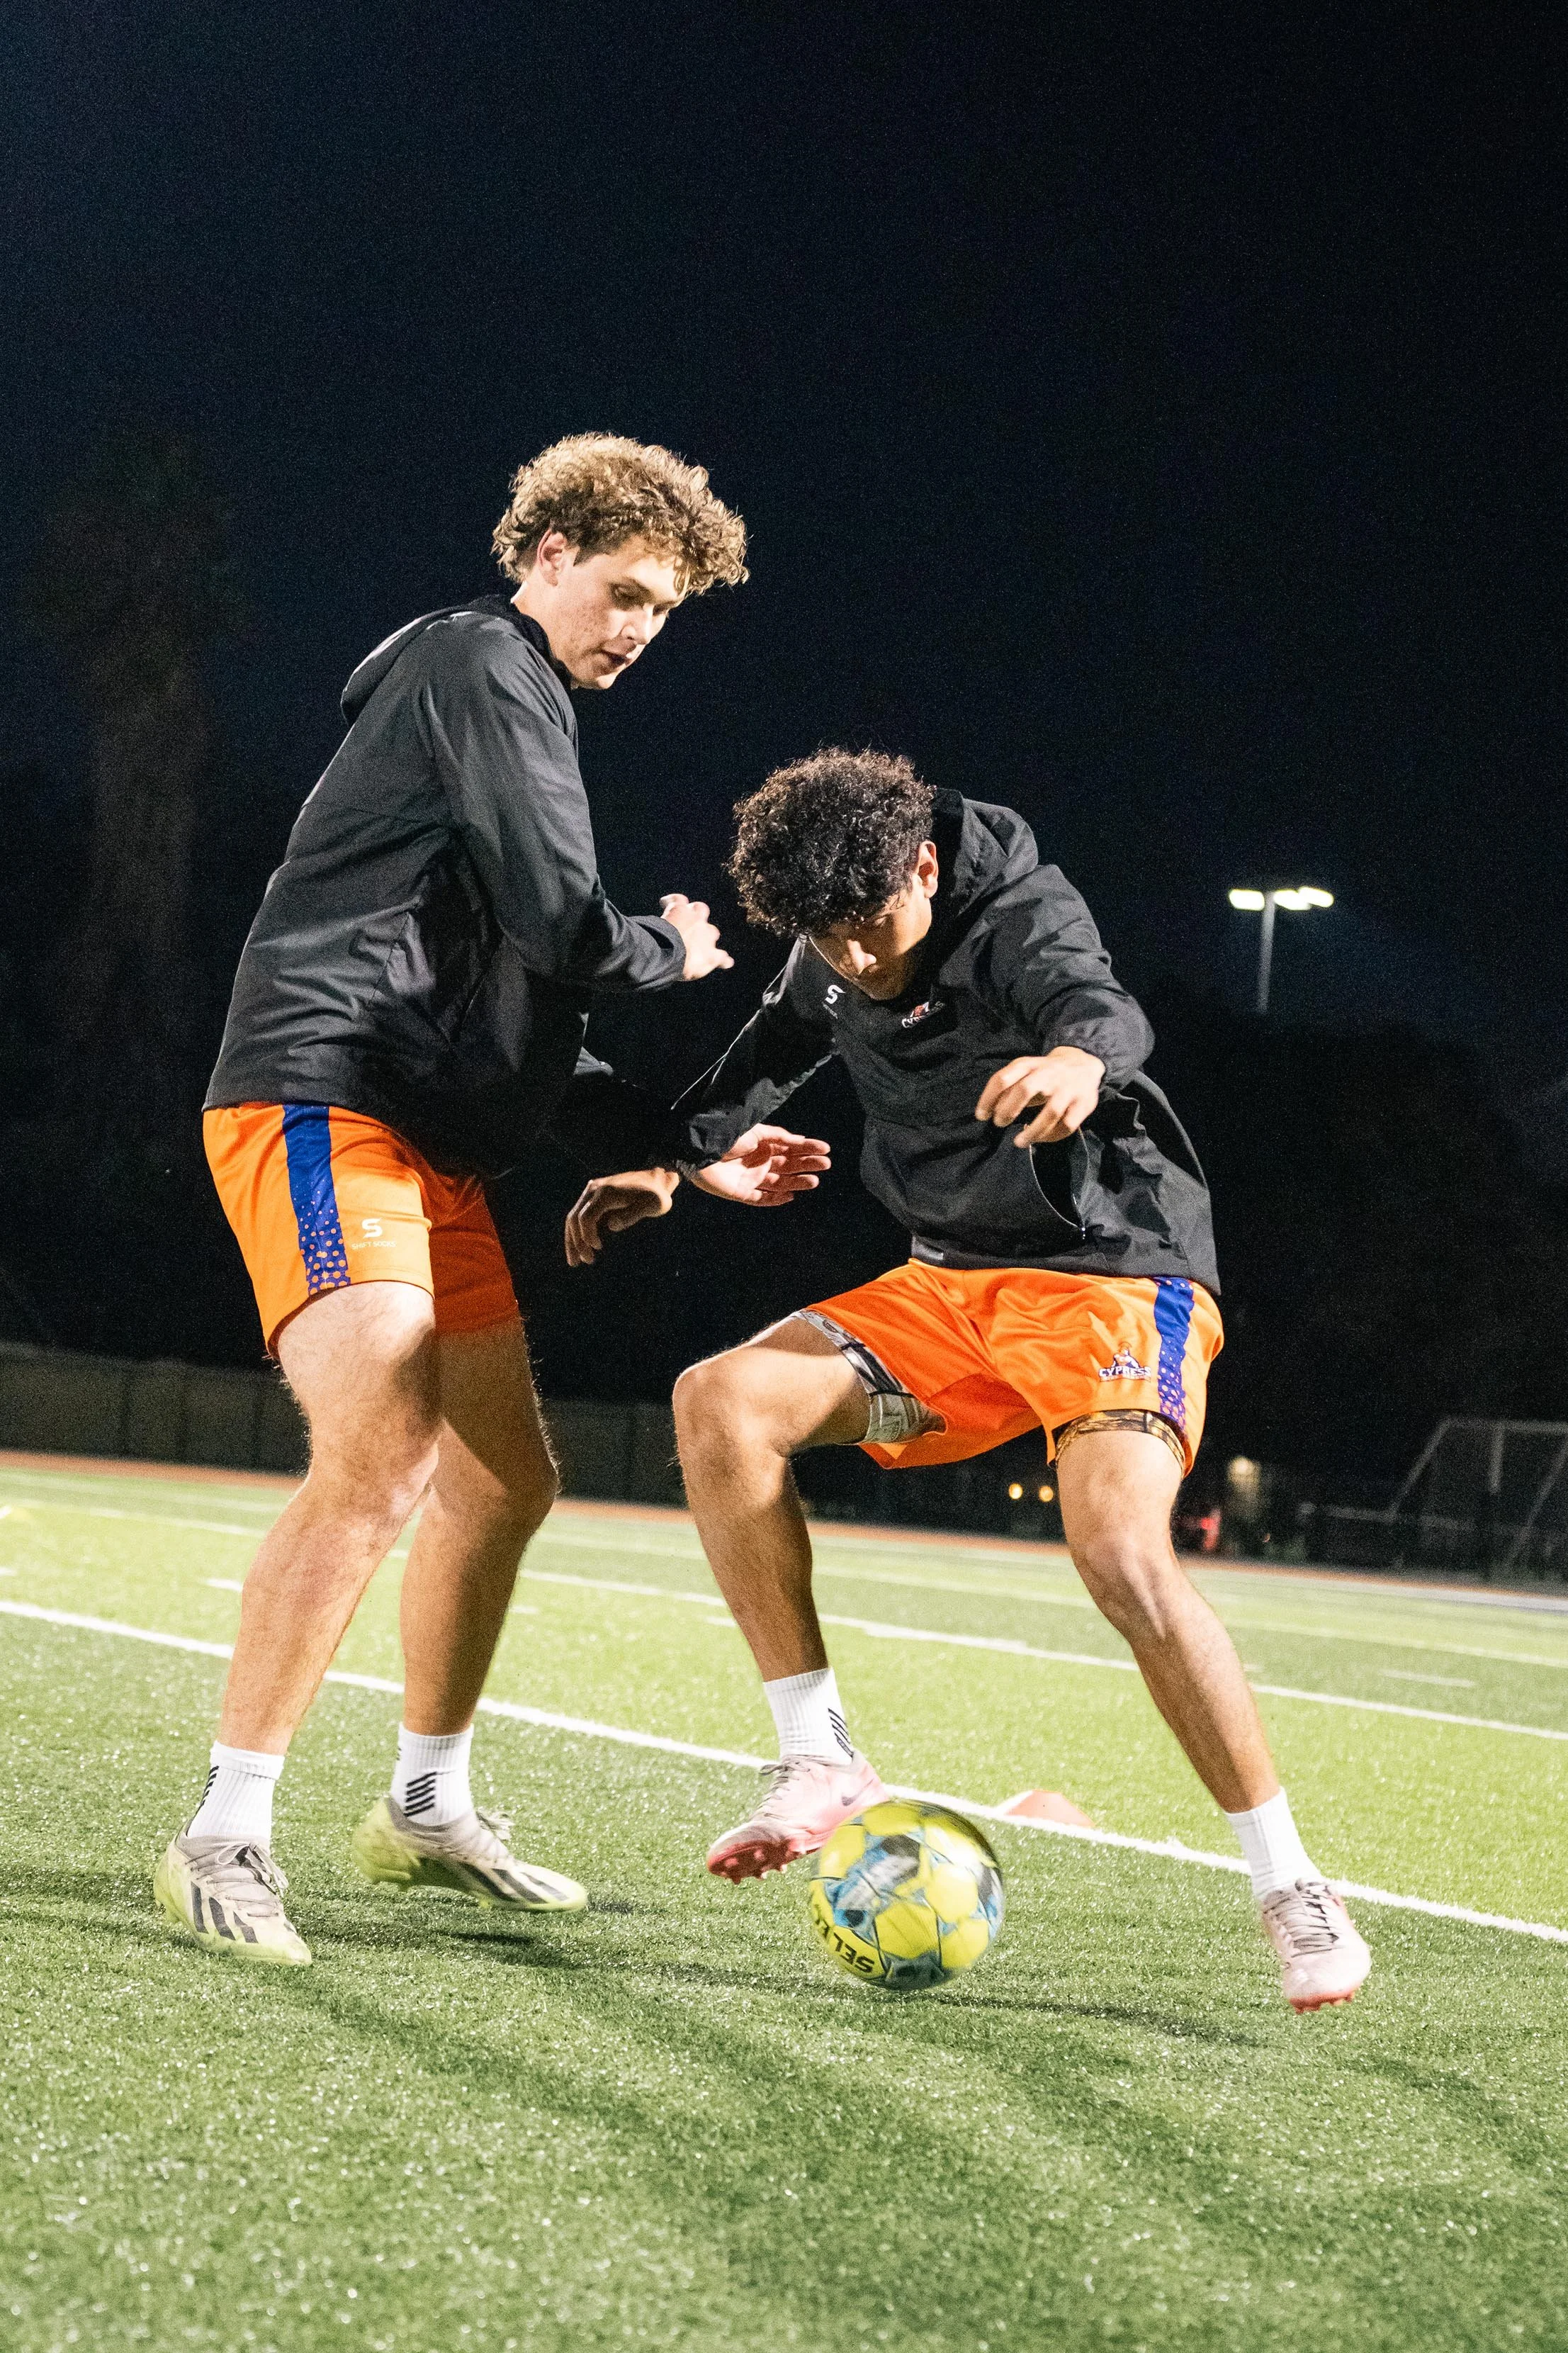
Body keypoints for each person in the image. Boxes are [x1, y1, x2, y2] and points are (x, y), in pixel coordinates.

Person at [155, 435, 826, 1966]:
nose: (639, 630)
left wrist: (676, 1142)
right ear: (543, 553)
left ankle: (424, 1801)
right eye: (626, 590)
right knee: (383, 1449)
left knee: (504, 1478)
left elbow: (523, 1016)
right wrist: (668, 941)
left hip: (425, 1136)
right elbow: (564, 925)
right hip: (324, 1098)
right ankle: (225, 1829)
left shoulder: (489, 716)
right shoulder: (479, 662)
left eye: (665, 611)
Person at [565, 750, 1371, 2012]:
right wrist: (670, 1169)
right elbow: (757, 1066)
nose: (856, 960)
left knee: (1117, 1552)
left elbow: (1101, 1007)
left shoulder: (1019, 912)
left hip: (1109, 1272)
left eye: (872, 926)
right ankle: (817, 1756)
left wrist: (1079, 1065)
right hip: (949, 1285)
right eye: (825, 939)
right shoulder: (832, 933)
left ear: (926, 868)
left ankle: (1290, 1885)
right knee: (717, 1398)